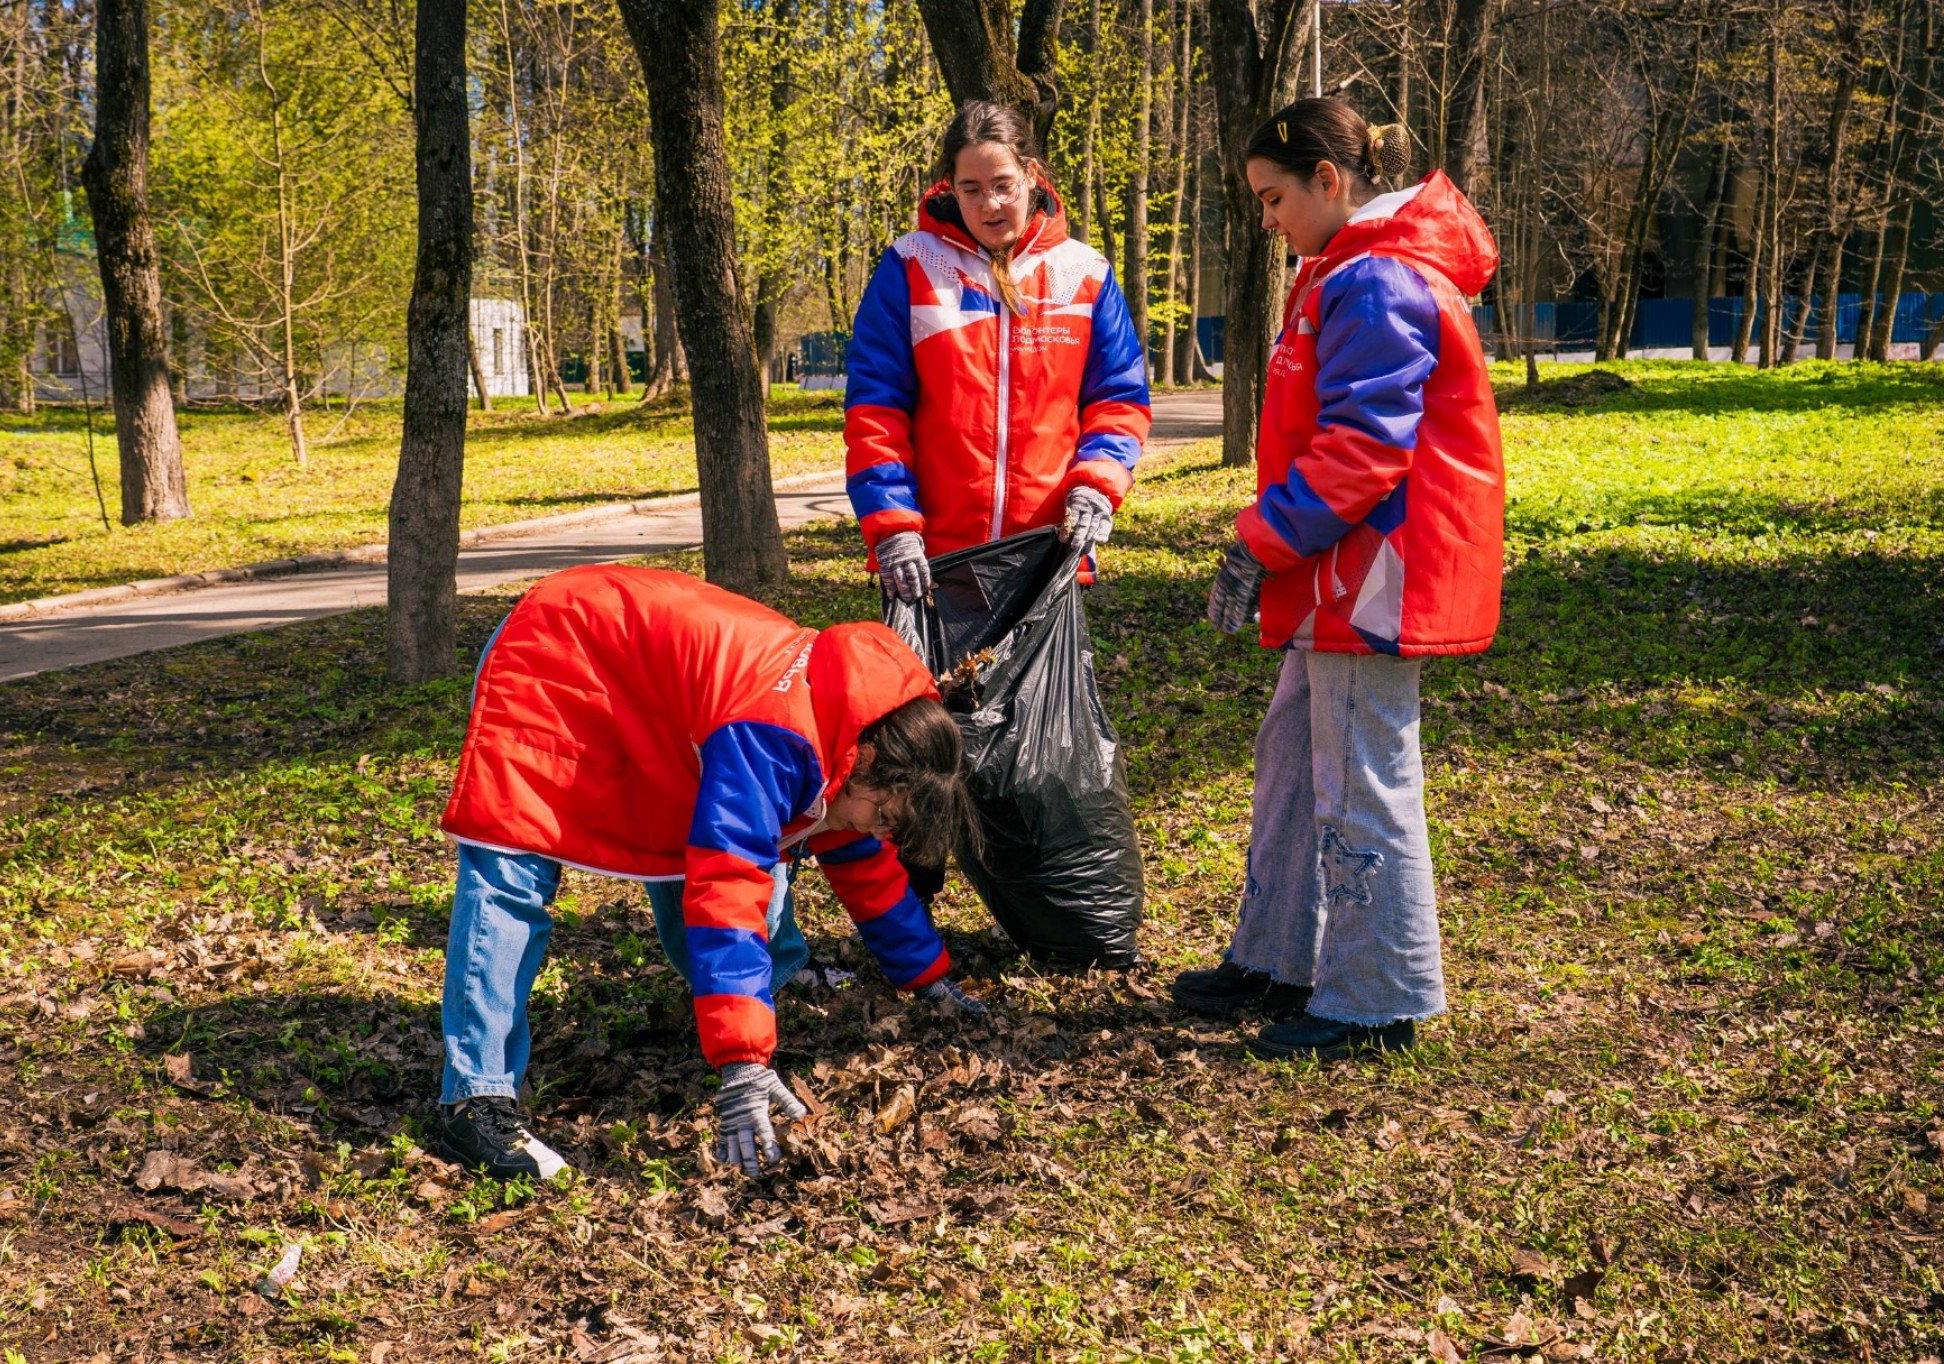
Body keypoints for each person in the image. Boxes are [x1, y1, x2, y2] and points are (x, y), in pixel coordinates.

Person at [434, 565, 985, 1181]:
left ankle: (758, 988)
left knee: (704, 848)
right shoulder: (776, 735)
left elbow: (862, 858)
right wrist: (744, 1062)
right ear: (872, 760)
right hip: (561, 651)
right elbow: (728, 884)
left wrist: (927, 979)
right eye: (882, 814)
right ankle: (474, 1097)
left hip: (651, 687)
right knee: (513, 863)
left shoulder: (859, 726)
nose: (878, 831)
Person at [1174, 98, 1504, 1060]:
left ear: (1329, 180)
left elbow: (1363, 452)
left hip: (1375, 576)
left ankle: (1377, 997)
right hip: (1339, 575)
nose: (1266, 221)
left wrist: (1257, 543)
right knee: (1293, 757)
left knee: (1363, 771)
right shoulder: (1344, 273)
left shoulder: (1375, 279)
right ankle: (1280, 956)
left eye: (1274, 198)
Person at [843, 99, 1152, 599]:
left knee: (1040, 684)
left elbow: (1118, 400)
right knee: (933, 683)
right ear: (950, 186)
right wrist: (893, 525)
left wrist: (1096, 486)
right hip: (931, 560)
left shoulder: (1085, 272)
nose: (989, 204)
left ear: (1031, 175)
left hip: (1048, 553)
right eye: (971, 189)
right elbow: (876, 409)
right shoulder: (910, 265)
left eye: (1003, 185)